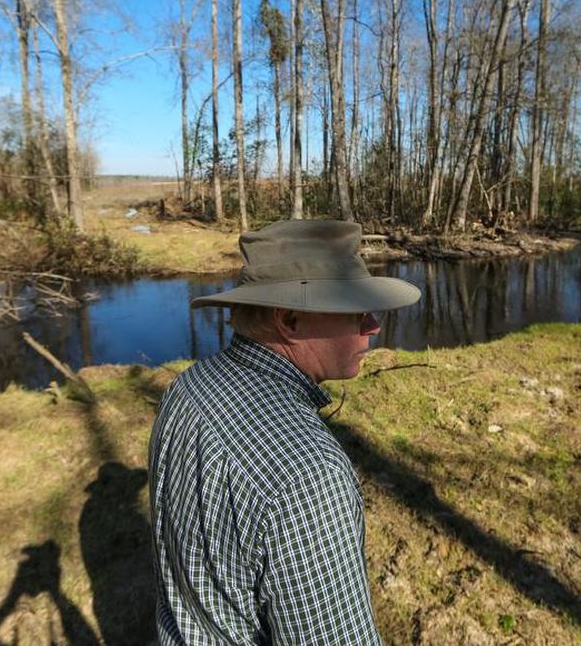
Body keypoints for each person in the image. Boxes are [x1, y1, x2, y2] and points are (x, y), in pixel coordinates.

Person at [149, 219, 421, 644]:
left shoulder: (187, 388)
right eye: (355, 311)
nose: (373, 326)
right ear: (290, 320)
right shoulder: (309, 476)